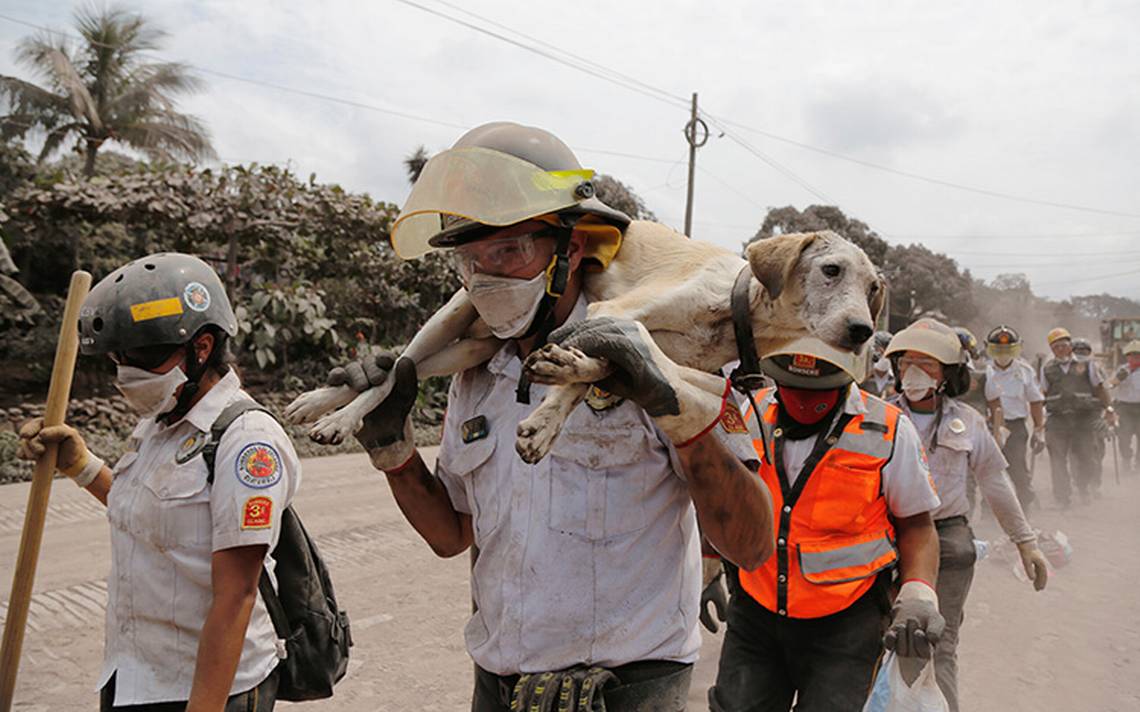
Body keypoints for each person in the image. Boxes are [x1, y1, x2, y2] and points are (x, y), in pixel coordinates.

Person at [332, 122, 775, 711]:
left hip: (628, 690)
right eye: (471, 261)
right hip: (499, 686)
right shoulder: (475, 375)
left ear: (568, 250)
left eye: (510, 251)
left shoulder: (664, 352)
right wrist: (394, 452)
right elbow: (451, 534)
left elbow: (750, 544)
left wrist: (673, 409)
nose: (487, 279)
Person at [16, 253, 295, 711]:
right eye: (119, 357)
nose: (126, 370)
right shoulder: (159, 423)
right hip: (133, 674)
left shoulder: (247, 441)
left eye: (142, 356)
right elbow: (151, 518)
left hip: (205, 688)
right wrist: (80, 463)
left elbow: (236, 595)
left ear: (201, 347)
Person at [708, 339, 943, 712]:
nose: (802, 402)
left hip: (847, 625)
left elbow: (917, 525)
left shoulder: (887, 429)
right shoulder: (750, 416)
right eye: (792, 389)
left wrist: (917, 596)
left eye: (816, 391)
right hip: (756, 612)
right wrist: (708, 570)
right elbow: (725, 504)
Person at [885, 318, 1048, 712]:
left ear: (949, 374)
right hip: (883, 541)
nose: (914, 372)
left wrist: (1026, 543)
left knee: (937, 646)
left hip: (949, 543)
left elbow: (995, 482)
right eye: (906, 362)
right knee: (875, 641)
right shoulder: (878, 417)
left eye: (927, 364)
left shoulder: (969, 423)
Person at [1039, 327, 1115, 507]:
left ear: (1070, 346)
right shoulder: (1047, 369)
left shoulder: (1088, 365)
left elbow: (1100, 389)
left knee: (1086, 457)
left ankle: (1083, 488)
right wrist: (1038, 421)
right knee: (1057, 459)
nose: (1060, 349)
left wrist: (1109, 409)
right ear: (1052, 349)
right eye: (1056, 347)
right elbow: (1041, 394)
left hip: (1083, 418)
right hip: (1057, 419)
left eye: (1064, 345)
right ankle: (1062, 497)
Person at [983, 325, 1046, 509]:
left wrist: (1039, 429)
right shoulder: (983, 371)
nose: (1003, 354)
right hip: (988, 426)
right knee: (989, 469)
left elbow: (1035, 402)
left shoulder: (1025, 371)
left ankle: (1024, 505)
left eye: (1008, 349)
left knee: (1017, 467)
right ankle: (989, 510)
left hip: (1015, 427)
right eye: (998, 349)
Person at [1110, 339, 1140, 474]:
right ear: (1127, 356)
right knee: (1123, 436)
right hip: (1124, 407)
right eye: (1132, 354)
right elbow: (1110, 385)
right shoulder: (1122, 370)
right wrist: (1119, 378)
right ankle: (1126, 460)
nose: (1135, 357)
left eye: (1138, 354)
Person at [858, 329, 894, 397]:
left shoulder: (897, 381)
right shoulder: (861, 378)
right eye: (879, 352)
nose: (883, 356)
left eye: (886, 353)